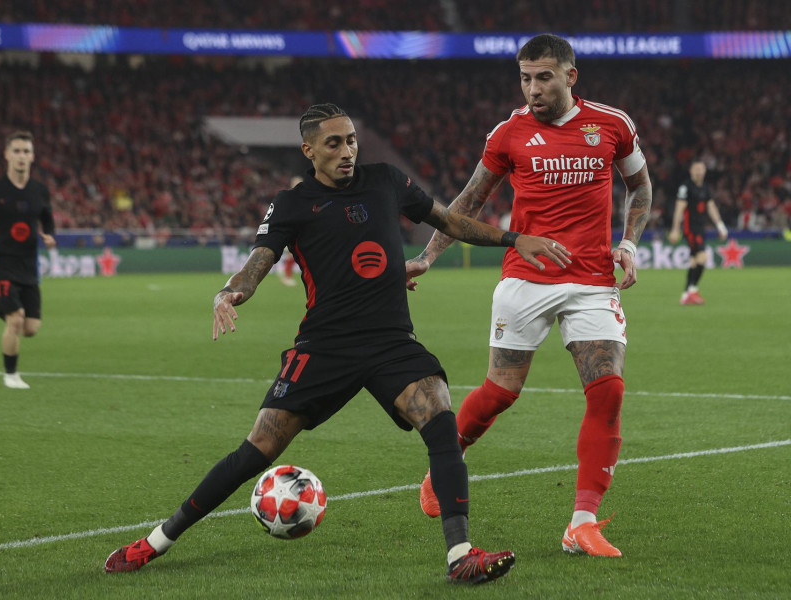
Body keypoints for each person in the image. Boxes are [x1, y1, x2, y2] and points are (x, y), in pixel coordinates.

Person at [104, 103, 572, 583]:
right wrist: (232, 290)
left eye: (350, 140)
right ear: (309, 150)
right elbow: (259, 259)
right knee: (256, 450)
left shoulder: (387, 180)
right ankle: (157, 541)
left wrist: (514, 240)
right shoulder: (292, 203)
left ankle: (460, 556)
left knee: (440, 416)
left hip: (390, 341)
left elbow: (447, 221)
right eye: (333, 143)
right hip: (324, 346)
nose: (347, 150)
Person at [408, 34, 652, 558]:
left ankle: (581, 522)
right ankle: (443, 467)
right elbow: (467, 202)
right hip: (525, 277)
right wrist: (428, 256)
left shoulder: (613, 125)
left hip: (591, 281)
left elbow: (641, 187)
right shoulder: (508, 134)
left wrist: (628, 243)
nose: (533, 88)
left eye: (543, 77)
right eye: (525, 78)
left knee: (607, 392)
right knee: (500, 392)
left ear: (570, 75)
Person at [0, 131, 57, 389]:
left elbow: (48, 219)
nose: (21, 156)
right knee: (15, 318)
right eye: (17, 151)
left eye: (26, 151)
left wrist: (50, 236)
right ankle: (11, 375)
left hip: (29, 266)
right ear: (7, 155)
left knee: (30, 328)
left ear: (32, 157)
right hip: (0, 262)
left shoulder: (40, 191)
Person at [668, 160, 728, 305]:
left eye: (701, 168)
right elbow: (679, 208)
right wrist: (675, 229)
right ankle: (692, 290)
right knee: (702, 256)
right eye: (696, 169)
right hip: (691, 229)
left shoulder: (705, 187)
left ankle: (686, 294)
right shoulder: (686, 187)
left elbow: (711, 207)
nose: (699, 171)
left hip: (701, 228)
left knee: (694, 261)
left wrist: (720, 225)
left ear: (705, 171)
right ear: (691, 171)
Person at [275, 176, 303, 287]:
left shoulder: (302, 197)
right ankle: (287, 276)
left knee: (292, 255)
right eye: (297, 183)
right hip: (292, 230)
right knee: (291, 254)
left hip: (300, 230)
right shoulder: (289, 197)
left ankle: (285, 274)